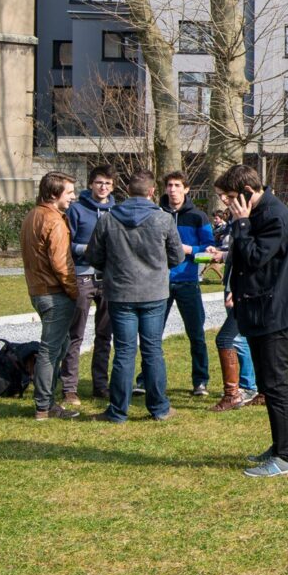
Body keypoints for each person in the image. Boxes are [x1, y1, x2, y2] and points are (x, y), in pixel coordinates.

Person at [218, 164, 288, 477]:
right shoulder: (256, 213)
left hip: (274, 311)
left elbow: (255, 257)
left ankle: (286, 457)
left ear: (246, 192)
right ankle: (278, 445)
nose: (226, 204)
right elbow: (244, 260)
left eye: (230, 197)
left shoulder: (273, 216)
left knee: (276, 384)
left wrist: (241, 224)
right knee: (267, 383)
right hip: (258, 307)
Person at [86, 171, 183, 423]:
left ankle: (118, 411)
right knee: (152, 350)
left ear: (127, 190)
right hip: (153, 293)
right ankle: (159, 408)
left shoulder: (108, 219)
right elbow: (177, 257)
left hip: (120, 293)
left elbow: (94, 256)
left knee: (124, 352)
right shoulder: (163, 220)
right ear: (152, 192)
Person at [22, 171, 82, 421]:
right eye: (69, 192)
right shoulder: (55, 221)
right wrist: (74, 291)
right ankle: (45, 406)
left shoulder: (31, 216)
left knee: (59, 347)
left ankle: (47, 402)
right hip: (54, 294)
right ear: (54, 194)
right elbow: (61, 264)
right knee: (50, 350)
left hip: (38, 292)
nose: (73, 197)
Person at [64, 165, 117, 402]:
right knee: (75, 334)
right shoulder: (76, 210)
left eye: (107, 183)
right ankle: (69, 387)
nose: (103, 187)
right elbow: (66, 243)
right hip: (83, 276)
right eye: (98, 183)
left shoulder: (117, 210)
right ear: (91, 185)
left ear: (112, 186)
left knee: (104, 335)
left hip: (108, 279)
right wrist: (85, 249)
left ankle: (100, 385)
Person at [161, 172, 215, 396]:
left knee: (196, 334)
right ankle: (146, 380)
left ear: (186, 189)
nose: (173, 189)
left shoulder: (198, 217)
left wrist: (189, 250)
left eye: (177, 185)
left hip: (187, 282)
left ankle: (200, 381)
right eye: (169, 186)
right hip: (160, 283)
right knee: (152, 335)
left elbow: (210, 252)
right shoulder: (157, 214)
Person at [206, 211, 258, 412]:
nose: (226, 201)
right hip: (232, 287)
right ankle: (253, 388)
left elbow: (250, 258)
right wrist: (222, 254)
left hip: (241, 292)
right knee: (240, 338)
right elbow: (237, 254)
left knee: (231, 339)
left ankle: (241, 389)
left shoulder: (250, 224)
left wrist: (238, 290)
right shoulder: (236, 224)